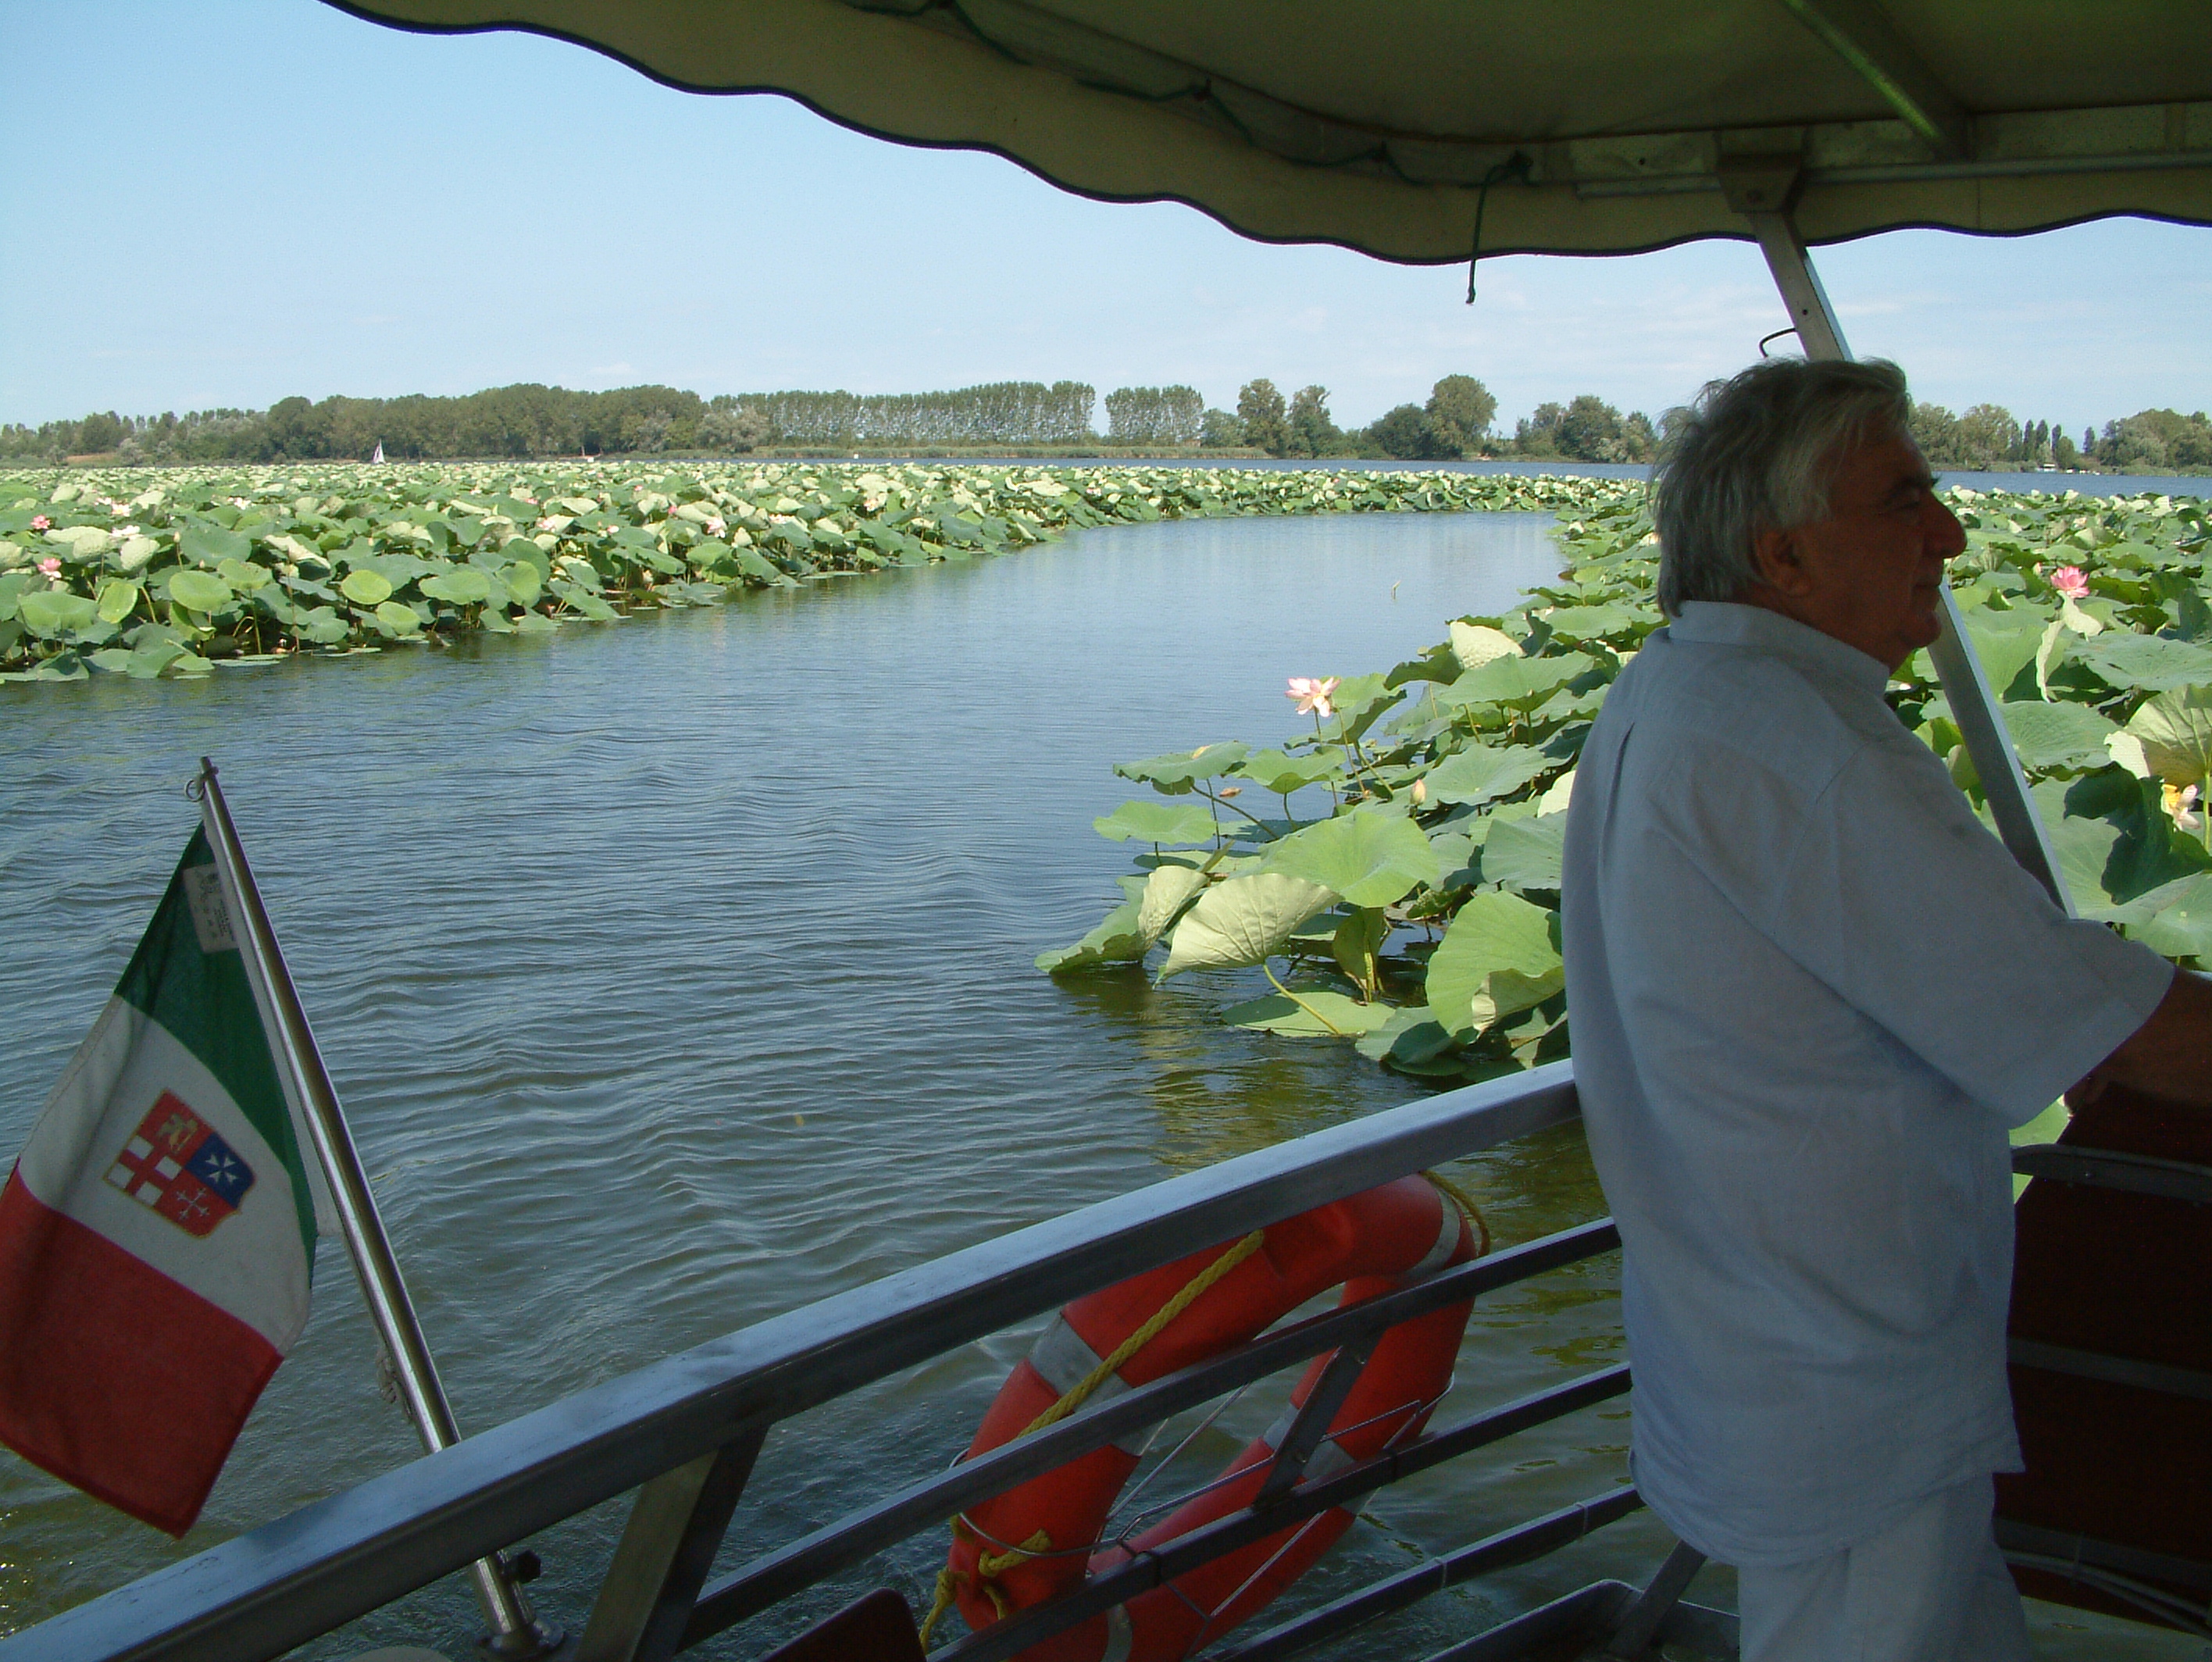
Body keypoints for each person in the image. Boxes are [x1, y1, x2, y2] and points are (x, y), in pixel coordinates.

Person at [1560, 355, 2212, 1660]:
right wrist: (2123, 1026)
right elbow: (2118, 1034)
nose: (1950, 536)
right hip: (1849, 1380)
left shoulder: (1670, 688)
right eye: (1905, 500)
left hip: (1752, 1344)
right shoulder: (1805, 749)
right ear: (1785, 554)